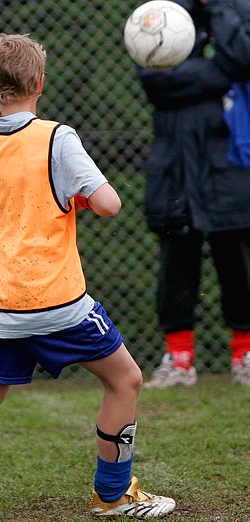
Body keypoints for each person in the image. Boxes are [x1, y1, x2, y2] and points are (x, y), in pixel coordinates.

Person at [0, 34, 176, 522]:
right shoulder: (56, 138)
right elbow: (110, 203)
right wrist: (76, 197)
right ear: (40, 84)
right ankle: (112, 495)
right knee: (125, 379)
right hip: (53, 298)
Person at [137, 0, 250, 388]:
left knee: (238, 256)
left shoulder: (237, 10)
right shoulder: (159, 14)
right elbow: (156, 79)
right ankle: (179, 360)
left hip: (230, 159)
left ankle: (245, 355)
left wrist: (218, 9)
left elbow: (245, 57)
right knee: (177, 257)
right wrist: (223, 72)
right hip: (176, 163)